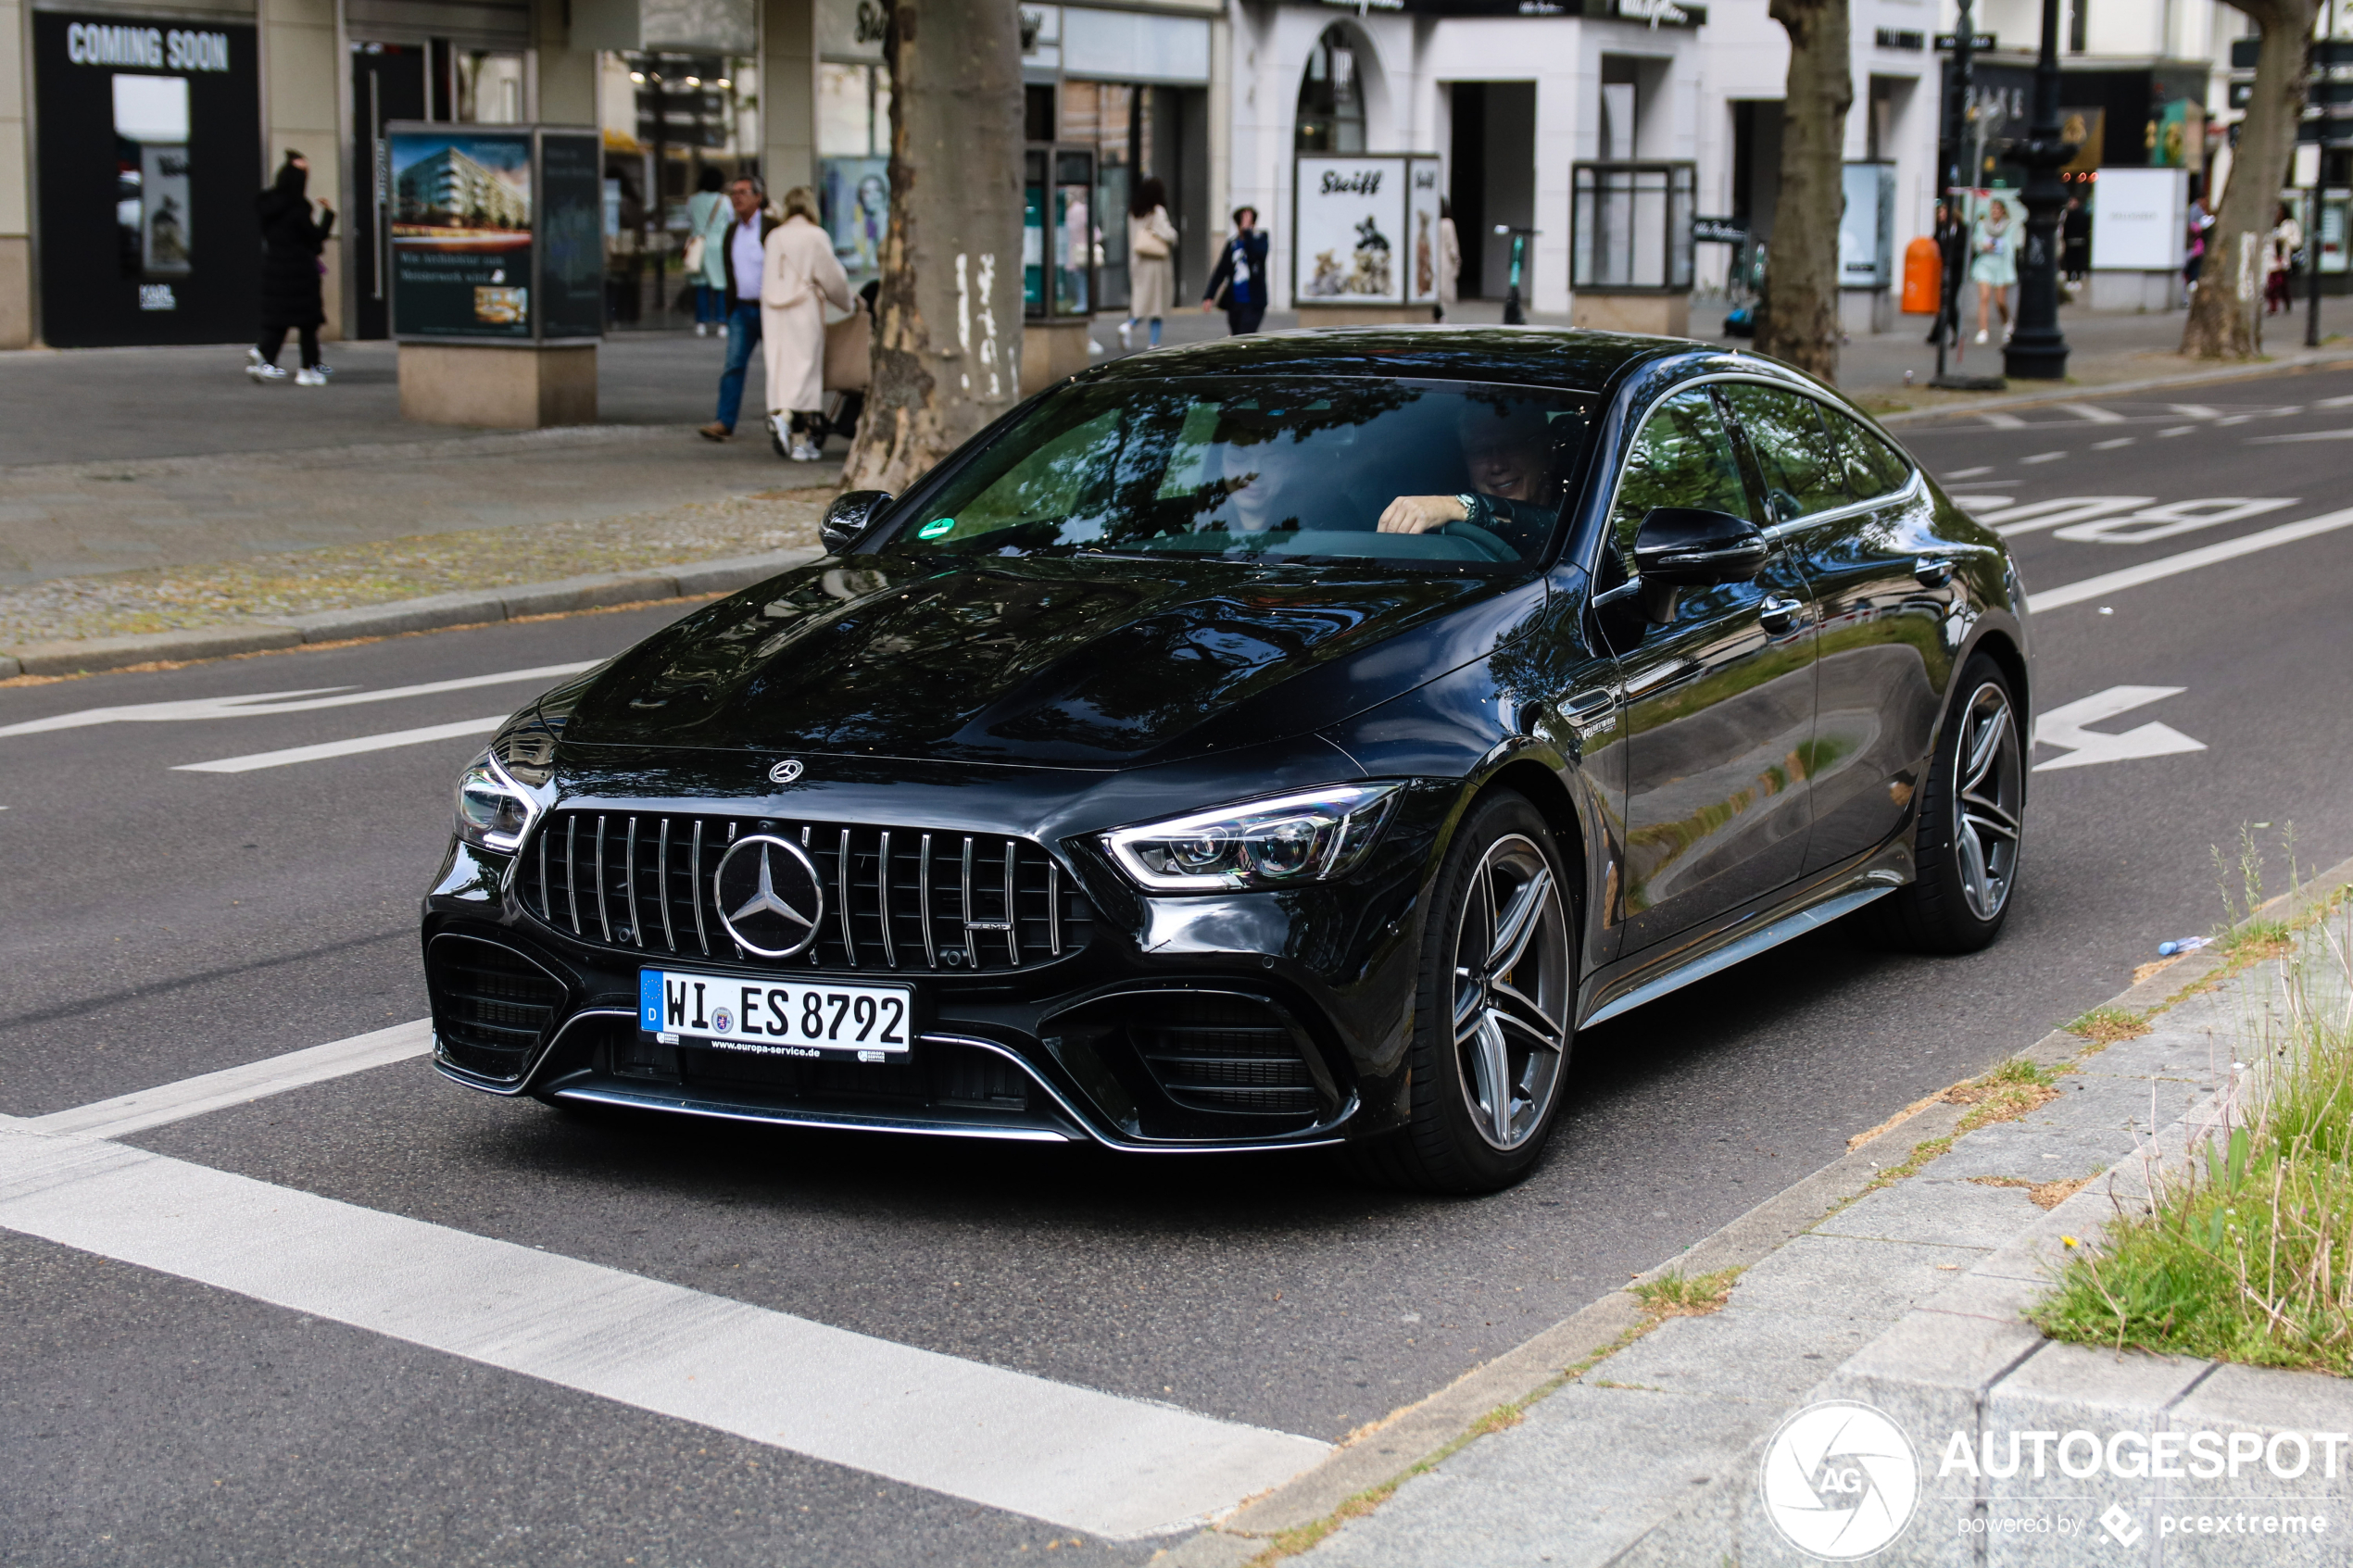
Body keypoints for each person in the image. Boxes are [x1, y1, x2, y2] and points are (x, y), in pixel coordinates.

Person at [1374, 403, 1564, 554]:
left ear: (1547, 451)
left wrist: (1461, 507)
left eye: (1512, 446)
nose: (1497, 466)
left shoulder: (1583, 505)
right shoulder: (1443, 538)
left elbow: (1555, 528)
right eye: (1480, 451)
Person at [761, 184, 854, 462]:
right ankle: (801, 439)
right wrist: (848, 302)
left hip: (774, 312)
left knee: (781, 370)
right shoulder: (816, 236)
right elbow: (832, 276)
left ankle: (782, 414)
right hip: (804, 307)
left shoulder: (774, 236)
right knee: (806, 371)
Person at [699, 176, 777, 443]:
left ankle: (785, 422)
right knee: (733, 365)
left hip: (771, 309)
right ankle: (724, 421)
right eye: (733, 193)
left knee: (780, 368)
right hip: (741, 310)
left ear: (758, 197)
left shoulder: (771, 228)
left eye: (743, 192)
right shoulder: (732, 231)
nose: (737, 198)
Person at [249, 151, 334, 386]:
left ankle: (264, 355)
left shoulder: (267, 204)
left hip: (275, 267)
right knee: (308, 323)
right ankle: (307, 369)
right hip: (300, 270)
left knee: (279, 319)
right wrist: (328, 215)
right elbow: (315, 237)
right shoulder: (299, 208)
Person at [1120, 176, 1178, 350]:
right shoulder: (1157, 211)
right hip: (1156, 263)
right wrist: (1174, 235)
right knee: (1157, 304)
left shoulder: (1134, 212)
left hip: (1138, 261)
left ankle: (1130, 326)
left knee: (1142, 300)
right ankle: (1152, 342)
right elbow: (1168, 234)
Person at [1202, 207, 1269, 335]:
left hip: (1254, 302)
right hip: (1235, 302)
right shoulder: (1232, 244)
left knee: (1245, 335)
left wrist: (1248, 233)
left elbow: (1256, 254)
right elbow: (1221, 271)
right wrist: (1209, 296)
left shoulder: (1261, 239)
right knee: (1236, 336)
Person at [684, 166, 732, 338]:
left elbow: (688, 220)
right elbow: (730, 219)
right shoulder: (724, 200)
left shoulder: (692, 200)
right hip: (718, 245)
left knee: (701, 286)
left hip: (698, 246)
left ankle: (701, 323)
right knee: (720, 285)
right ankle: (722, 323)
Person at [1969, 197, 2016, 346]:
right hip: (1985, 263)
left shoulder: (2009, 226)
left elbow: (2011, 246)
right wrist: (1984, 246)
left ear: (2003, 211)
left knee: (2000, 302)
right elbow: (1976, 242)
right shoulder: (1983, 225)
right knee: (1984, 296)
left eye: (1997, 209)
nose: (1994, 212)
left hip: (2001, 265)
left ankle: (2007, 323)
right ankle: (1983, 330)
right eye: (1992, 209)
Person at [2268, 201, 2302, 315]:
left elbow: (2297, 242)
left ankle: (2286, 301)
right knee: (2272, 284)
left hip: (2283, 258)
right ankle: (2273, 305)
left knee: (2281, 283)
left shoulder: (2290, 225)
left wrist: (2286, 241)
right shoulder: (2271, 225)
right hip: (2271, 259)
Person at [1433, 198, 1461, 323]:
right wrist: (1457, 261)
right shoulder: (1448, 223)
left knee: (1435, 292)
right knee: (1444, 295)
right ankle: (1442, 317)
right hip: (1445, 262)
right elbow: (1452, 247)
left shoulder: (1433, 223)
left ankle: (1436, 316)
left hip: (1433, 260)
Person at [2184, 182, 2214, 295]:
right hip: (2195, 243)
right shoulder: (2195, 210)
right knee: (2195, 263)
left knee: (2196, 262)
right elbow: (2192, 226)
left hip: (2198, 243)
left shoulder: (2199, 209)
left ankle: (2192, 280)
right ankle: (2192, 280)